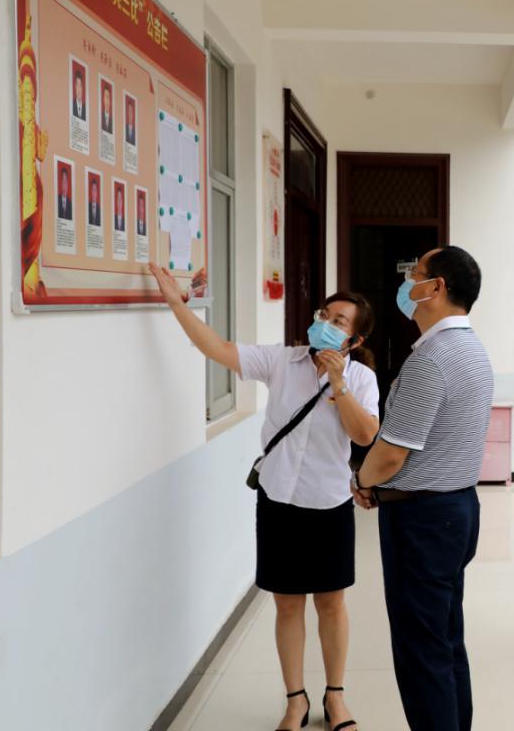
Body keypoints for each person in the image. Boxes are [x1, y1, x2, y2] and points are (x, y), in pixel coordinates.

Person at [149, 264, 380, 731]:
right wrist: (177, 305)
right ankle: (295, 700)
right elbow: (217, 349)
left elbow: (364, 435)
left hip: (329, 503)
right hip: (278, 501)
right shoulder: (282, 361)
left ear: (354, 340)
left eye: (339, 321)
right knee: (287, 604)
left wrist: (338, 385)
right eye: (325, 314)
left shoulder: (360, 379)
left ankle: (335, 697)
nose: (326, 323)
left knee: (331, 604)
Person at [353, 246, 493, 731]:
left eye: (414, 274)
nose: (406, 283)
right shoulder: (472, 348)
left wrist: (361, 480)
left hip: (422, 520)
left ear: (436, 288)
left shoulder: (431, 359)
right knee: (445, 641)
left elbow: (392, 453)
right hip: (456, 509)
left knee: (422, 653)